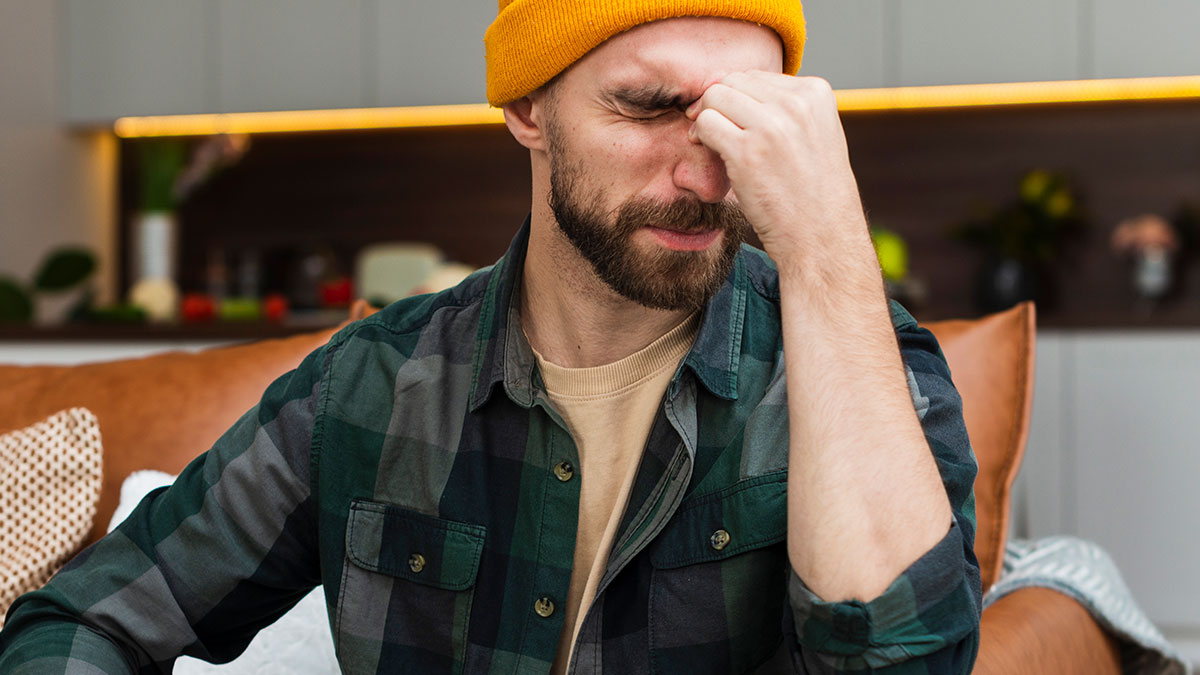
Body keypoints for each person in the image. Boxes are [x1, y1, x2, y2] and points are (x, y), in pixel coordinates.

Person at [0, 1, 981, 673]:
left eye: (747, 121)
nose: (706, 173)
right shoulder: (374, 385)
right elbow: (86, 619)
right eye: (650, 107)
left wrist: (825, 248)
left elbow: (904, 659)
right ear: (527, 107)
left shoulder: (867, 367)